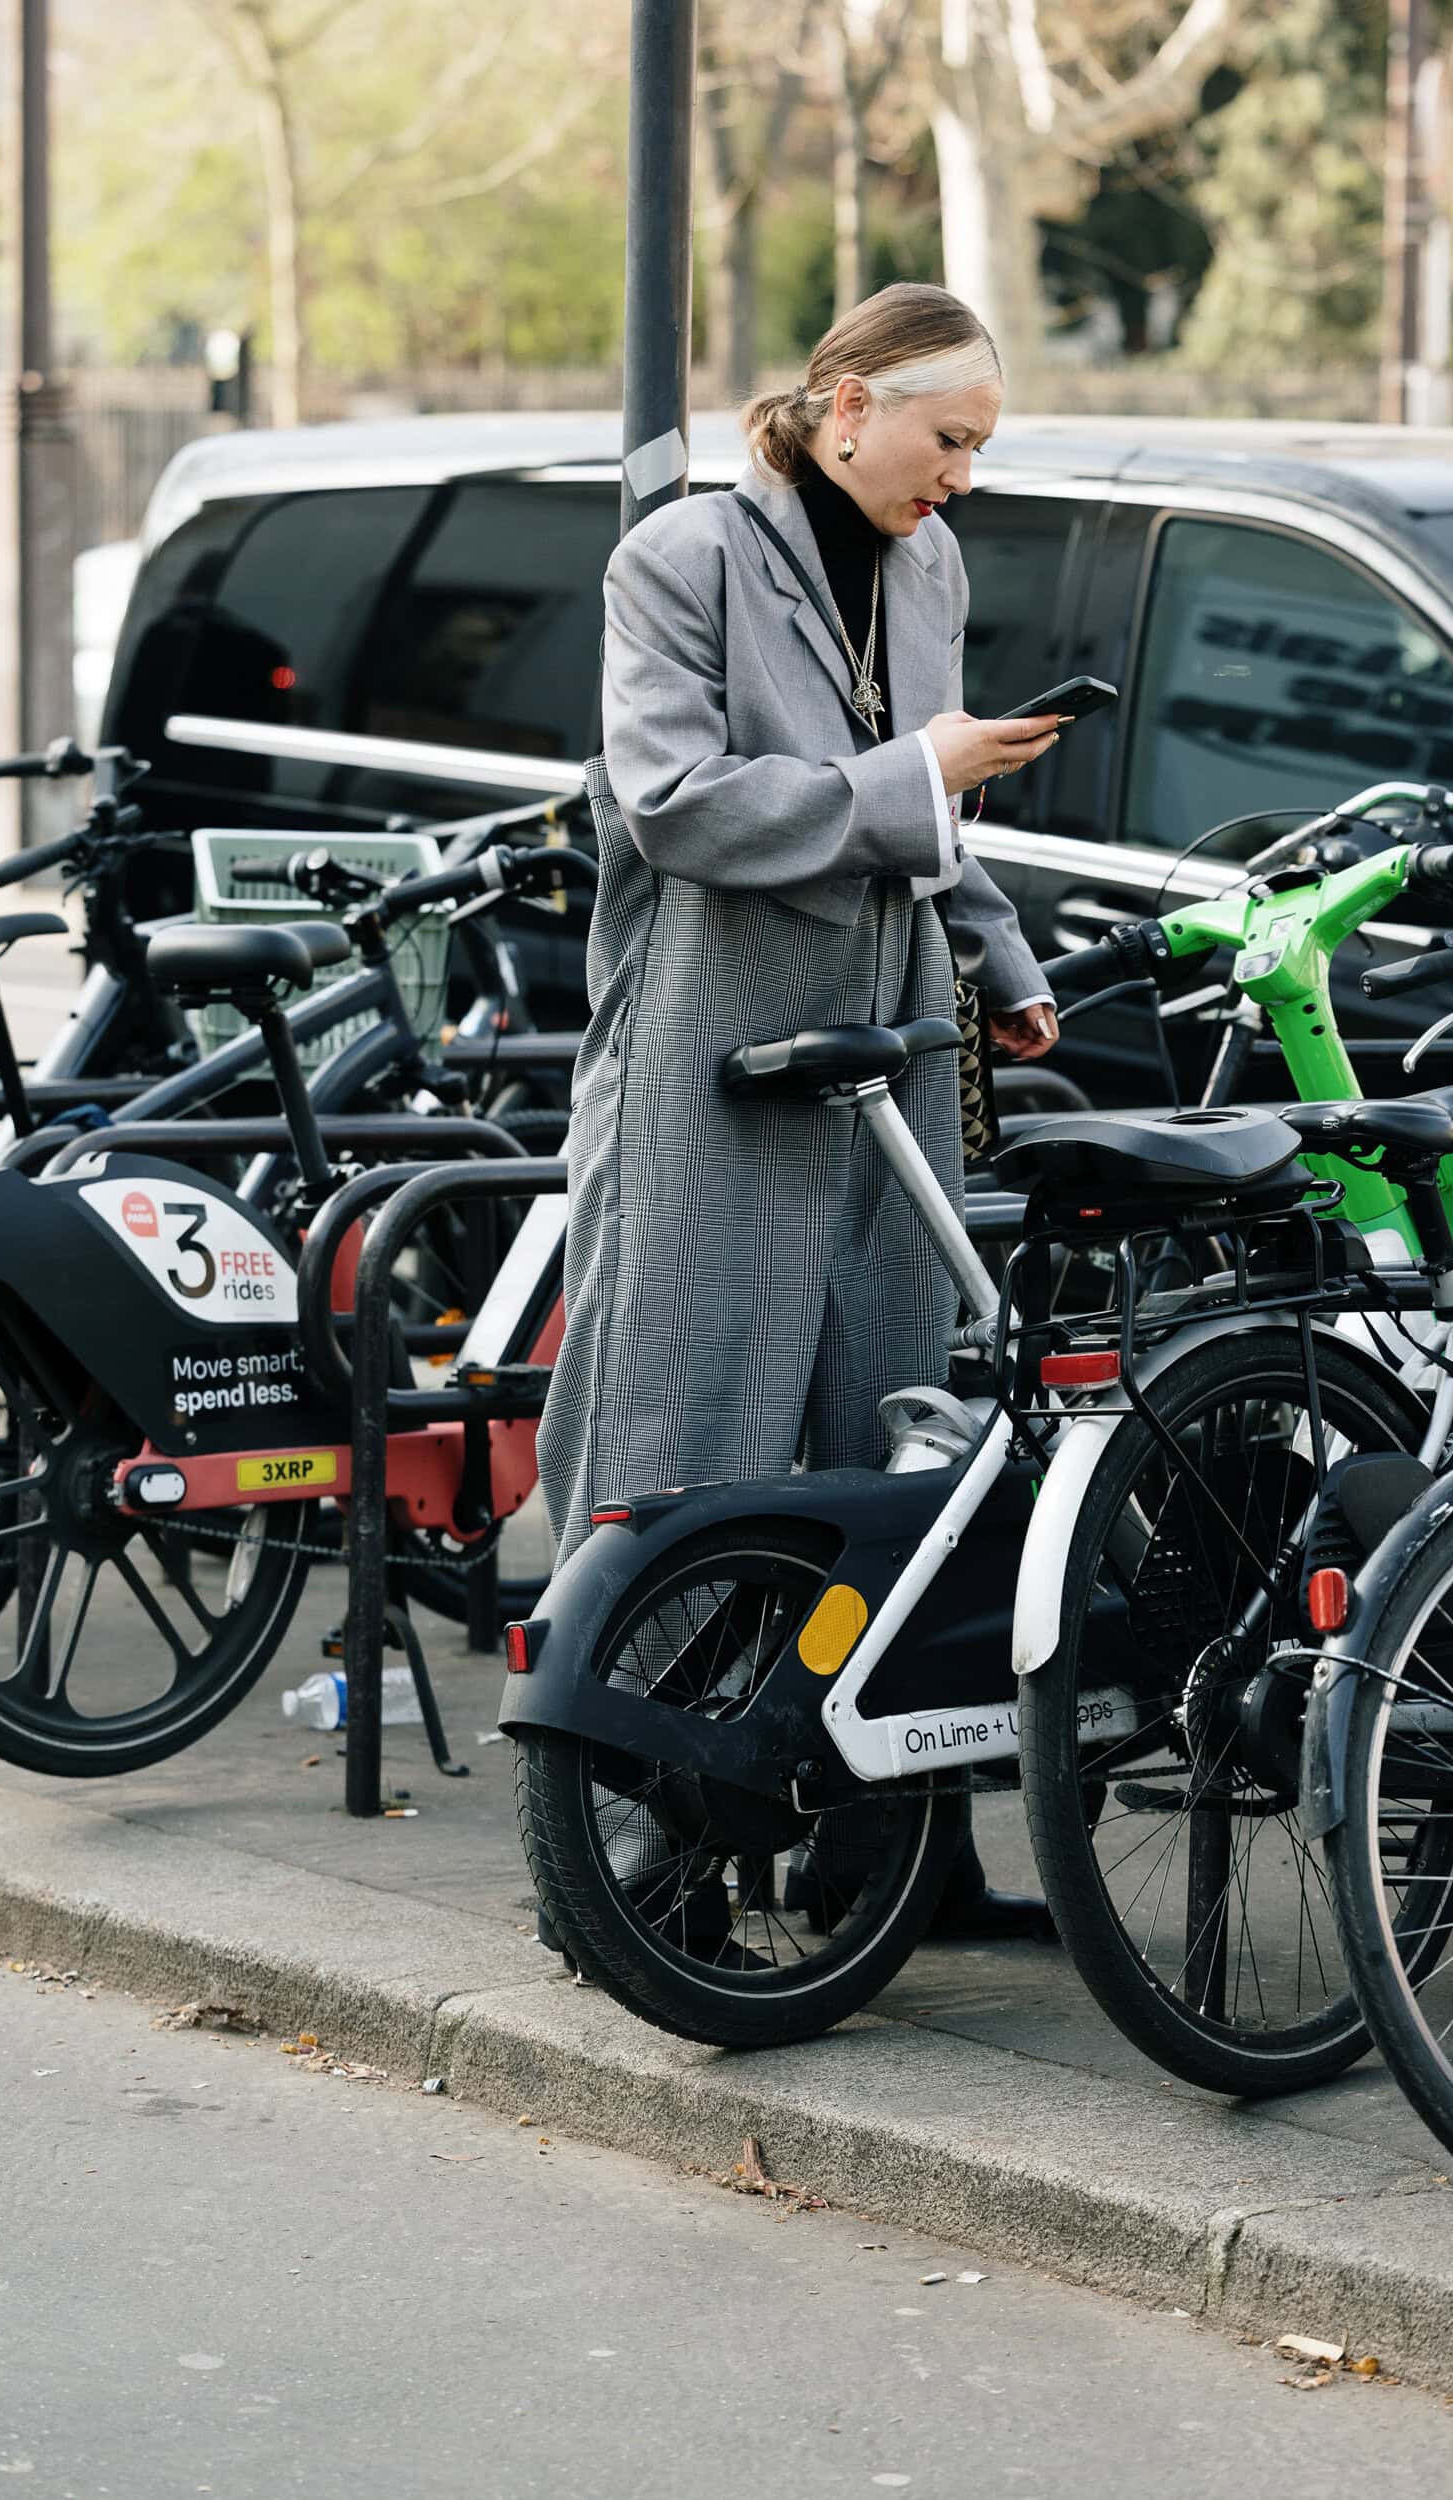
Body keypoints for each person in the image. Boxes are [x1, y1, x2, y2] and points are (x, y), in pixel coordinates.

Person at [536, 282, 1063, 1940]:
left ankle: (888, 1853)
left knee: (888, 1420)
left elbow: (932, 816)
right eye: (947, 438)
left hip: (893, 1017)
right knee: (681, 1427)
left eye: (979, 447)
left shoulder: (932, 561)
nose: (963, 477)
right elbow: (677, 804)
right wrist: (925, 781)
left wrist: (996, 957)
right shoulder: (675, 558)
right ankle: (630, 1855)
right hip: (713, 1031)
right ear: (846, 408)